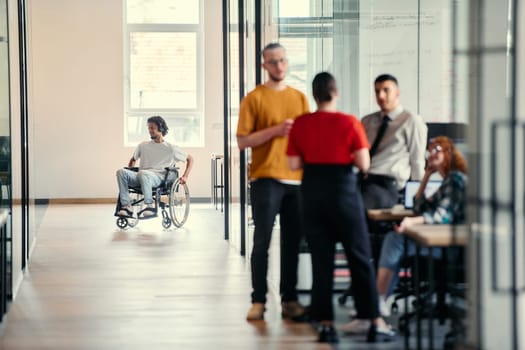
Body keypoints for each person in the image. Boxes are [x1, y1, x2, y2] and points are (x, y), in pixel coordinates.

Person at [286, 72, 395, 343]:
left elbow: (293, 165)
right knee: (359, 257)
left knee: (321, 262)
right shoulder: (349, 122)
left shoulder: (301, 123)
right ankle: (373, 321)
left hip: (312, 193)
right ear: (336, 93)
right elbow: (364, 164)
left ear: (314, 95)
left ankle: (325, 324)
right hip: (343, 193)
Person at [344, 136, 467, 333]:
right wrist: (426, 176)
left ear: (449, 155)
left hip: (450, 248)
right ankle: (379, 302)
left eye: (438, 149)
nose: (431, 153)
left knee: (395, 239)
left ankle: (378, 303)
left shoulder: (456, 179)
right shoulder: (447, 180)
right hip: (443, 245)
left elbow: (441, 216)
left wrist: (410, 222)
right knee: (395, 239)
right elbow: (419, 206)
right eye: (430, 150)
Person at [236, 42, 310, 321]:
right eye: (273, 62)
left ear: (287, 62)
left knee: (292, 242)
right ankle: (258, 301)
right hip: (265, 178)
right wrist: (277, 130)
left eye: (282, 61)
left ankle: (289, 300)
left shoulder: (300, 98)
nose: (279, 66)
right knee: (262, 241)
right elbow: (243, 141)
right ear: (264, 65)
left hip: (296, 181)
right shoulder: (253, 99)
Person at [360, 74, 428, 209]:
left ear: (397, 93)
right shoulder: (368, 121)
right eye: (377, 91)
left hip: (387, 183)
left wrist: (418, 195)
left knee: (358, 206)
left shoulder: (411, 120)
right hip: (364, 178)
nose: (381, 96)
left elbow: (417, 160)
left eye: (386, 90)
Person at [116, 116, 193, 219]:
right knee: (121, 172)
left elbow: (190, 159)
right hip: (141, 176)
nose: (150, 131)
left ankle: (149, 205)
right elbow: (133, 159)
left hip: (159, 179)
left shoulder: (171, 149)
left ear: (161, 128)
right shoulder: (143, 146)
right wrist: (130, 171)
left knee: (144, 173)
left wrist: (185, 176)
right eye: (148, 128)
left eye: (152, 128)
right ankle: (126, 207)